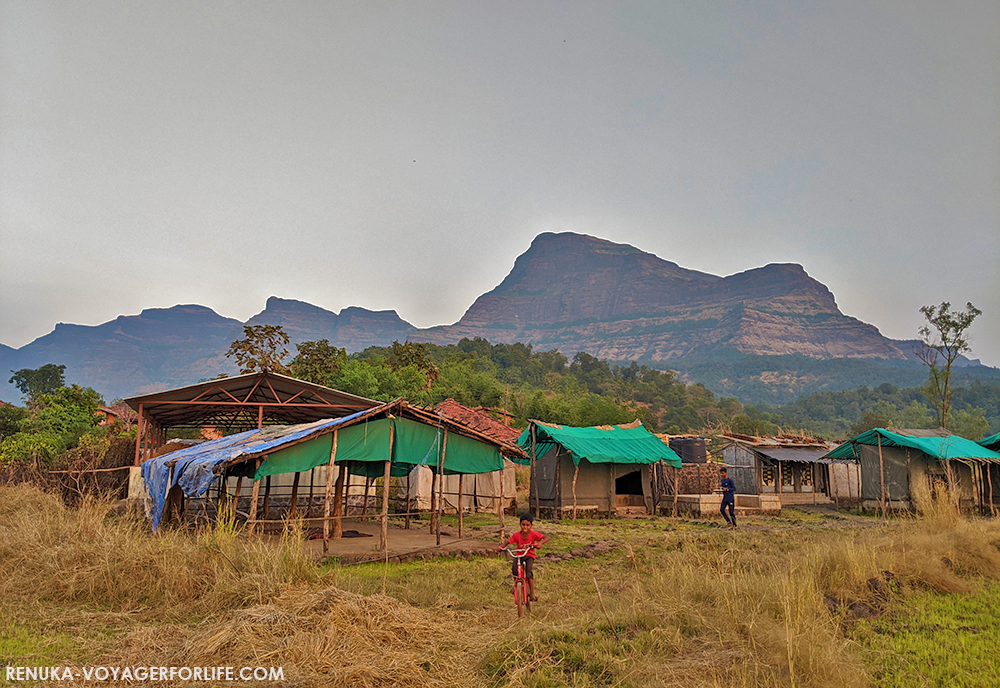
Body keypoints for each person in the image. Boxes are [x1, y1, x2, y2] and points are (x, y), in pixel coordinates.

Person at [499, 513, 550, 601]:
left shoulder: (533, 534)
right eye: (523, 525)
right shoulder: (517, 535)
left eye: (527, 525)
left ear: (531, 526)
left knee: (529, 571)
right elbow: (508, 541)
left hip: (529, 555)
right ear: (520, 525)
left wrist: (540, 543)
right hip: (519, 555)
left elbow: (546, 537)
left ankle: (532, 593)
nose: (525, 527)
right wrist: (501, 547)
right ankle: (516, 586)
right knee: (514, 569)